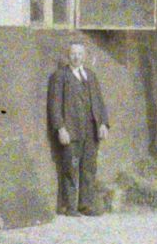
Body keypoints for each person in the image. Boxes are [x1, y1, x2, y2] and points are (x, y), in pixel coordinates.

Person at [47, 40, 112, 215]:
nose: (76, 57)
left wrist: (103, 124)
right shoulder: (60, 76)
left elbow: (99, 101)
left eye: (80, 54)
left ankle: (85, 205)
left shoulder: (90, 75)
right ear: (68, 56)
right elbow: (54, 105)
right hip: (71, 130)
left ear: (85, 56)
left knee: (89, 168)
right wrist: (60, 128)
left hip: (91, 130)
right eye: (73, 54)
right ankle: (69, 207)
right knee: (70, 168)